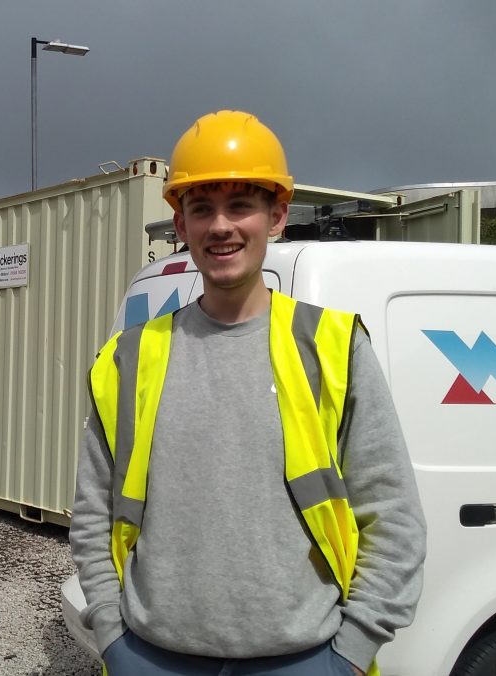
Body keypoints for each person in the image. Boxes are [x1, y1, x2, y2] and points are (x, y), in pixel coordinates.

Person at [69, 110, 426, 676]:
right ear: (180, 225)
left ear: (277, 215)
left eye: (241, 205)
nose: (221, 226)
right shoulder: (129, 357)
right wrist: (112, 635)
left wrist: (352, 653)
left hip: (304, 661)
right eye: (201, 207)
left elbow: (393, 513)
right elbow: (93, 510)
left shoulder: (331, 345)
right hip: (151, 657)